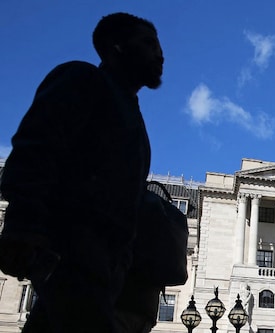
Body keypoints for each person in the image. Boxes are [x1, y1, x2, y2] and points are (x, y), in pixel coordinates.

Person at [0, 12, 164, 333]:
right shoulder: (82, 79)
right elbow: (37, 146)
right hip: (71, 244)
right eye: (147, 43)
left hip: (108, 260)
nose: (159, 53)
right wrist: (24, 223)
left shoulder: (132, 113)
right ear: (115, 47)